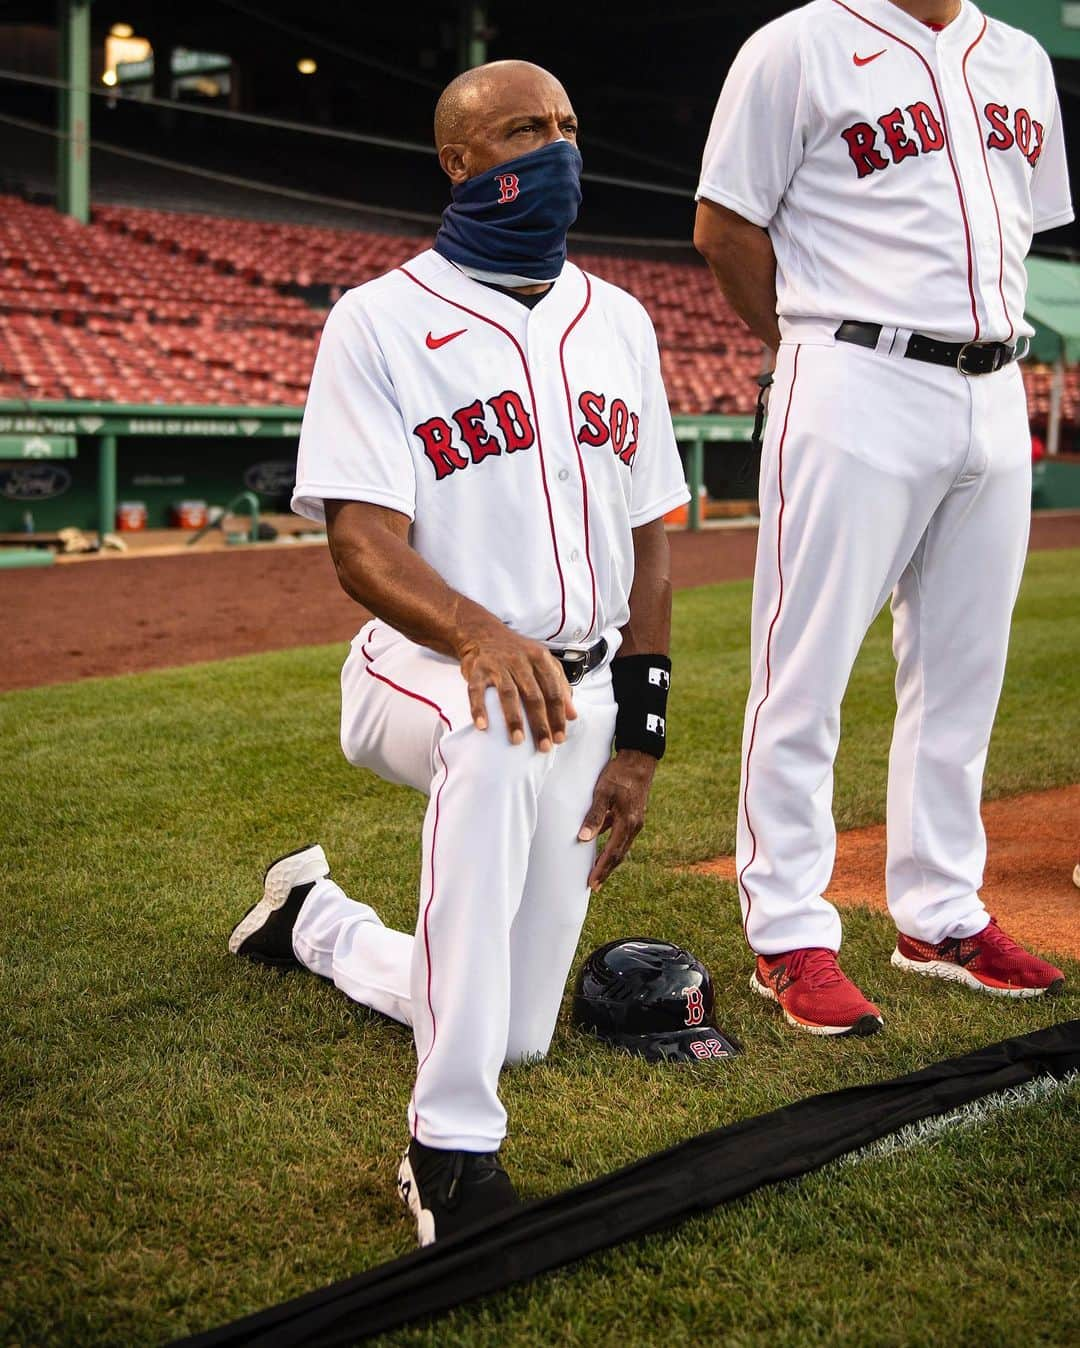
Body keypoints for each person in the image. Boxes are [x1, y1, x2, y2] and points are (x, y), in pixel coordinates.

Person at [228, 60, 688, 1242]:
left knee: (515, 1024)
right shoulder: (380, 320)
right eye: (525, 129)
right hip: (421, 665)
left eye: (571, 126)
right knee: (495, 724)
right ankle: (448, 1151)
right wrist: (478, 634)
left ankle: (314, 922)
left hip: (583, 684)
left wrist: (640, 731)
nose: (558, 148)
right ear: (460, 162)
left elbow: (653, 540)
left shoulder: (621, 321)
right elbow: (362, 546)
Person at [694, 0, 1069, 1035]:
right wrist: (816, 347)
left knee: (962, 672)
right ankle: (787, 928)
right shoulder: (798, 45)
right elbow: (723, 227)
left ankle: (941, 914)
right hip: (856, 370)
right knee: (805, 669)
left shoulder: (1021, 57)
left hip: (994, 387)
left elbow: (1020, 221)